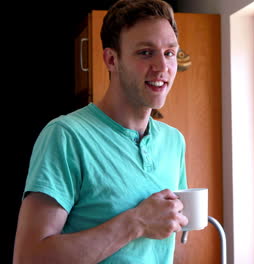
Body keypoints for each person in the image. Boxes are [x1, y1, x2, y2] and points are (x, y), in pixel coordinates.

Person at [13, 0, 189, 263]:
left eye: (169, 53)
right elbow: (30, 257)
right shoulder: (66, 136)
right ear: (111, 59)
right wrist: (137, 222)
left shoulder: (174, 142)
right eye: (145, 52)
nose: (162, 67)